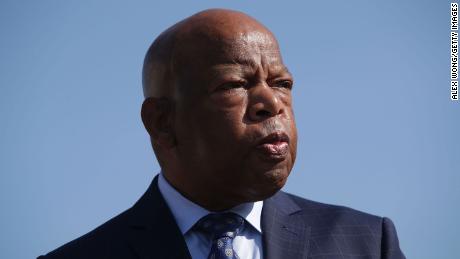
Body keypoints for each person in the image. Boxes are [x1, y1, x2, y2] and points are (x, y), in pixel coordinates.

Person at [38, 9, 405, 259]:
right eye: (234, 84)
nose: (270, 102)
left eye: (282, 83)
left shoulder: (368, 243)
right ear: (162, 122)